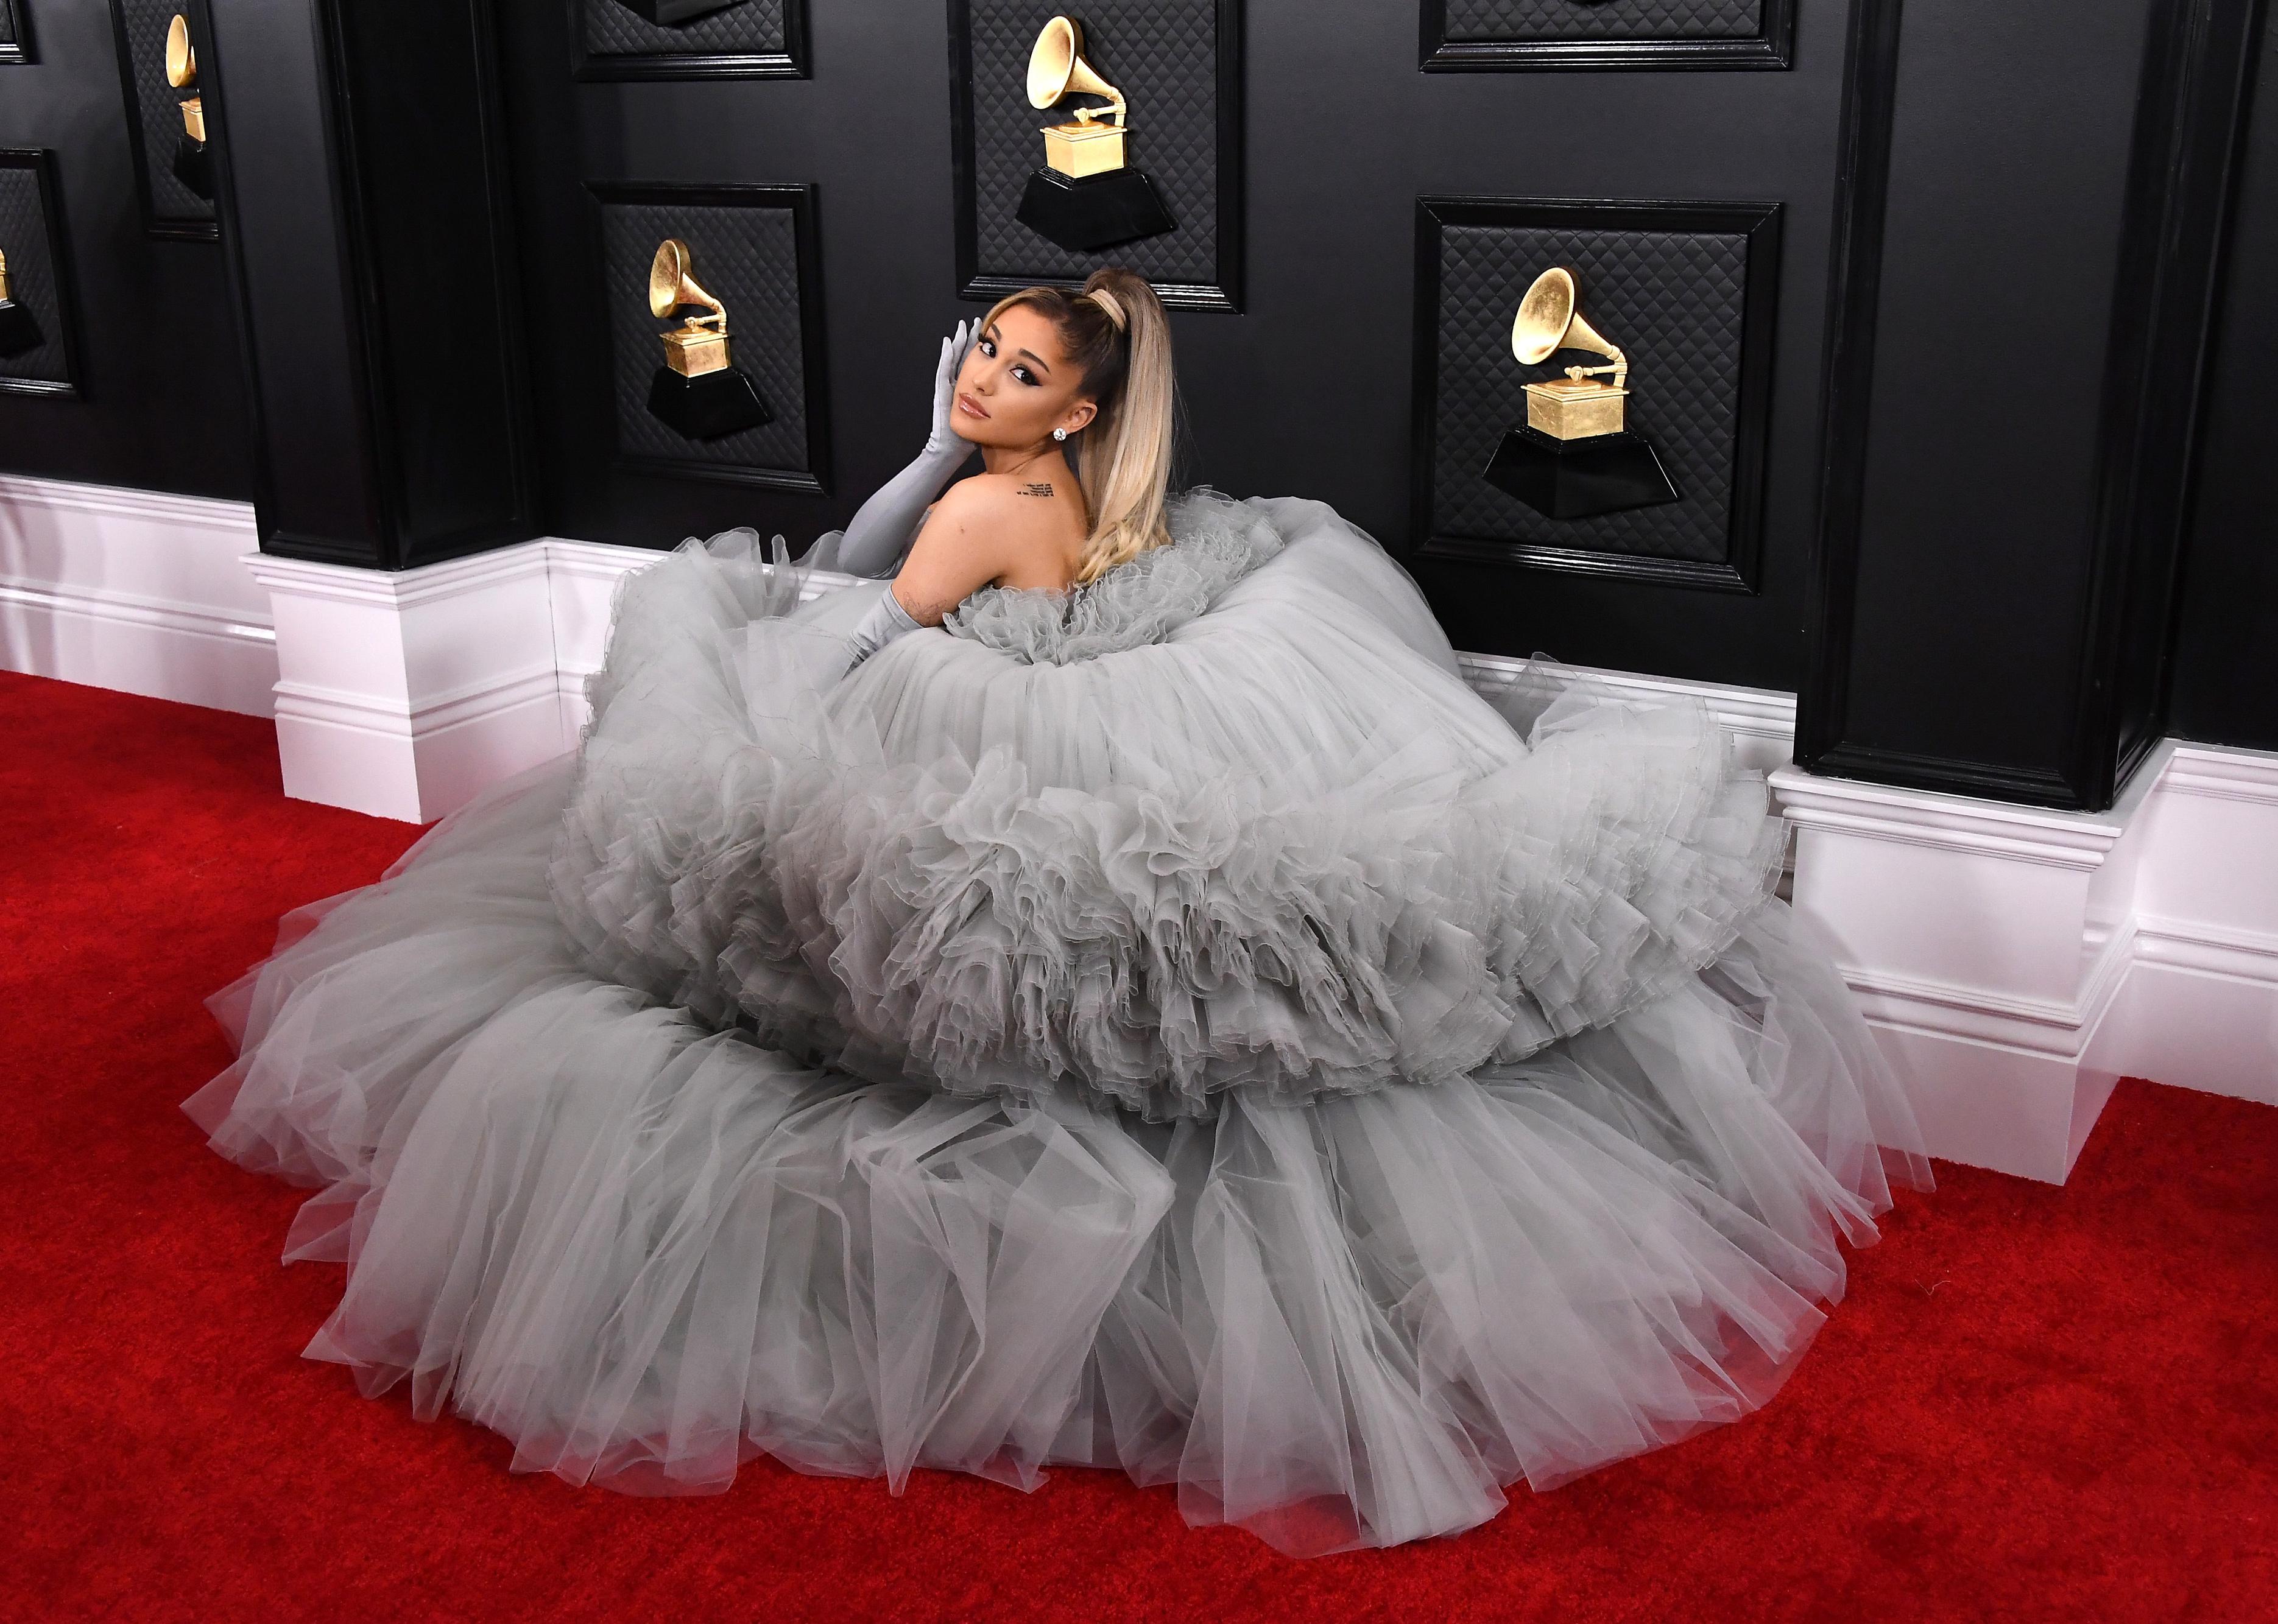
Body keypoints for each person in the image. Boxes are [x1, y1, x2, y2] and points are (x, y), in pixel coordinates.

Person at [185, 265, 1934, 1558]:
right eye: (981, 362)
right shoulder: (1106, 496)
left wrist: (873, 536)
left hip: (956, 683)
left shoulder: (972, 503)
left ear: (1068, 409)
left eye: (1011, 371)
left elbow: (849, 589)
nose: (980, 384)